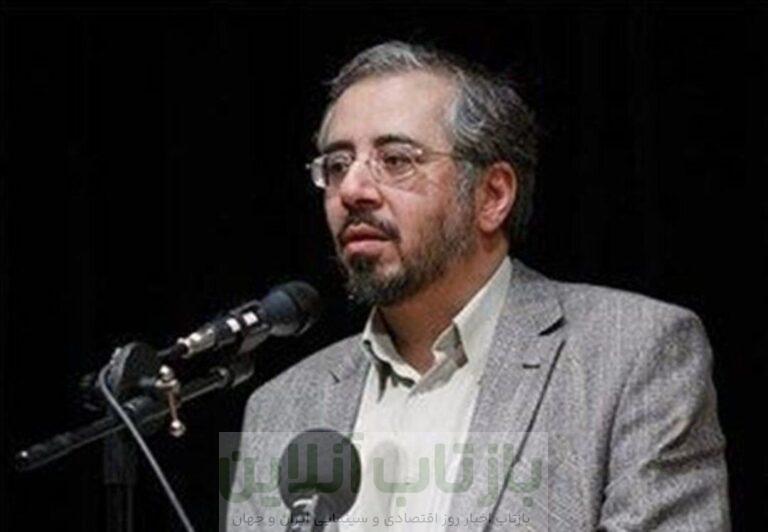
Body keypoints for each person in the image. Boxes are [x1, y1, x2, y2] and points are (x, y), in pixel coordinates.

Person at [225, 41, 730, 531]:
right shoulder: (281, 408)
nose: (352, 189)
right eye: (337, 165)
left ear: (492, 195)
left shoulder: (630, 353)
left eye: (396, 160)